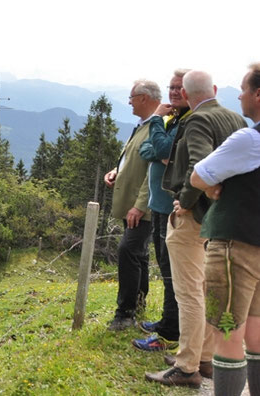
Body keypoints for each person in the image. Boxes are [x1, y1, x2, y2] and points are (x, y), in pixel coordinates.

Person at [146, 70, 247, 388]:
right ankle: (203, 358)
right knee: (204, 289)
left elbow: (199, 165)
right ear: (215, 89)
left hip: (195, 218)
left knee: (189, 292)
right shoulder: (235, 120)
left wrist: (186, 201)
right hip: (222, 217)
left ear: (187, 97)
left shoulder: (197, 121)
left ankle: (186, 366)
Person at [190, 63, 260, 396]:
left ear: (259, 95)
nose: (240, 95)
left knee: (227, 333)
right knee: (257, 335)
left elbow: (199, 176)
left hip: (236, 246)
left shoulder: (249, 139)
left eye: (244, 89)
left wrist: (212, 188)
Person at [132, 71, 188, 352]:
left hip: (171, 207)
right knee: (166, 271)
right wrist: (160, 147)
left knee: (170, 271)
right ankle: (167, 321)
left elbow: (167, 151)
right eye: (172, 87)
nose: (175, 92)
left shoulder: (184, 120)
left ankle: (169, 332)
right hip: (159, 206)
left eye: (180, 87)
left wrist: (154, 120)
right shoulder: (172, 118)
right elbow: (147, 149)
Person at [104, 79, 157, 331]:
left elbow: (153, 172)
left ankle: (125, 314)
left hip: (142, 206)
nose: (129, 102)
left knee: (128, 250)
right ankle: (138, 302)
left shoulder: (158, 126)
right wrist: (117, 171)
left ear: (144, 98)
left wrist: (140, 205)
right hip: (133, 203)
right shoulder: (142, 126)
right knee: (139, 254)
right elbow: (133, 160)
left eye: (132, 97)